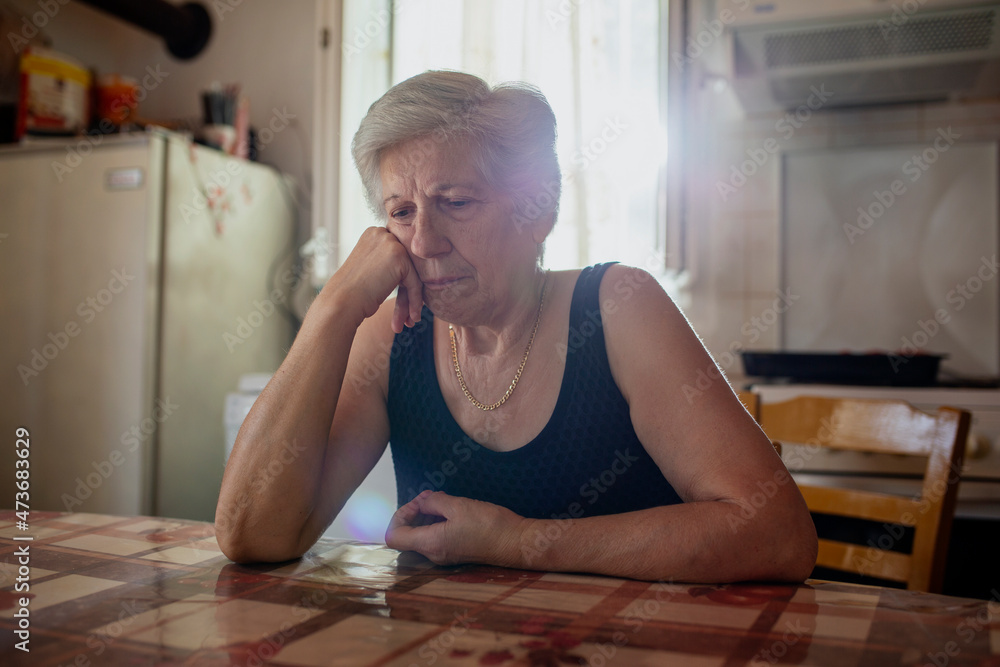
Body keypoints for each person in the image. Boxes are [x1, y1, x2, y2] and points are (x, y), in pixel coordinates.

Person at [215, 70, 817, 583]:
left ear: (539, 209)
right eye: (401, 212)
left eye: (456, 201)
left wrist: (517, 541)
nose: (424, 242)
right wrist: (334, 308)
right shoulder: (391, 335)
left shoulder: (619, 308)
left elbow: (777, 532)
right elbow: (253, 536)